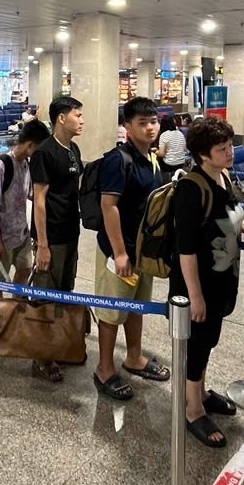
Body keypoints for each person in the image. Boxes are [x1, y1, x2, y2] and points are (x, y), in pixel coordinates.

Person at [171, 117, 244, 448]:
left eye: (231, 146)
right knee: (195, 346)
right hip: (196, 286)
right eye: (222, 149)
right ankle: (192, 409)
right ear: (202, 155)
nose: (230, 153)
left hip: (222, 280)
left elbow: (222, 218)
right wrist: (194, 297)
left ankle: (202, 392)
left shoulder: (222, 177)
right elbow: (186, 250)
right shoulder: (190, 188)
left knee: (208, 341)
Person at [93, 97, 171, 399]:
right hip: (119, 251)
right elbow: (108, 206)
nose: (151, 127)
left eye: (154, 121)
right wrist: (120, 253)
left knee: (136, 306)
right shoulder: (119, 159)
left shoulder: (150, 157)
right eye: (142, 122)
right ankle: (104, 369)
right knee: (113, 312)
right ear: (127, 126)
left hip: (142, 251)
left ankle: (134, 357)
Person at [0, 118, 50, 334]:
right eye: (38, 148)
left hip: (21, 233)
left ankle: (17, 317)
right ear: (30, 145)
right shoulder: (1, 166)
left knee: (23, 272)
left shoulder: (27, 165)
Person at [30, 95, 84, 329]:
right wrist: (42, 245)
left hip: (71, 230)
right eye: (78, 115)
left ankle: (59, 344)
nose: (82, 120)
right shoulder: (44, 152)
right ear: (62, 118)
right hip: (51, 236)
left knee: (65, 290)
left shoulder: (73, 148)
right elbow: (39, 200)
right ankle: (41, 359)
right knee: (45, 296)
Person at [156, 114, 187, 179]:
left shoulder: (164, 135)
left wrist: (155, 151)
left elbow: (161, 154)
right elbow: (184, 149)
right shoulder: (180, 133)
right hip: (181, 163)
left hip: (169, 165)